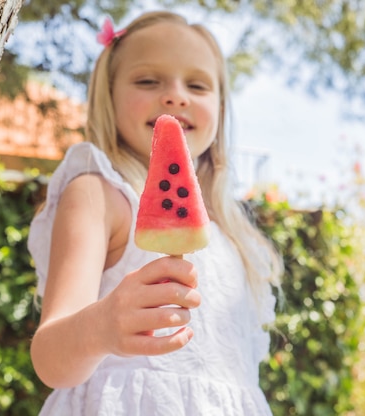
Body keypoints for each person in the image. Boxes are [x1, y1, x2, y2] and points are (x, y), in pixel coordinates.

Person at [28, 10, 283, 415]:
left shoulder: (231, 233)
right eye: (148, 80)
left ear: (220, 104)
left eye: (197, 85)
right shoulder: (98, 193)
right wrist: (101, 327)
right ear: (107, 96)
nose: (176, 95)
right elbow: (49, 356)